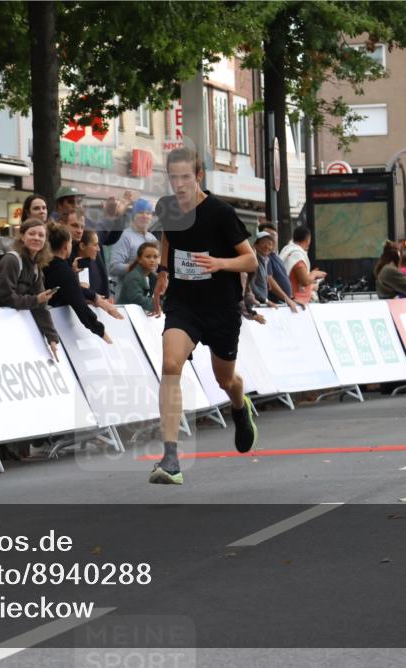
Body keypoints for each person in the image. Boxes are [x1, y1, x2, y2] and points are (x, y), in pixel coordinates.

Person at [148, 147, 259, 485]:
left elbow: (251, 260)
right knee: (170, 365)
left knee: (225, 379)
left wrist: (221, 263)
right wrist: (164, 272)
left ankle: (241, 409)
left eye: (185, 177)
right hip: (184, 304)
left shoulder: (221, 213)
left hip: (221, 307)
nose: (179, 184)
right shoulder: (167, 207)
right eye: (173, 178)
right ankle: (170, 458)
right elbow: (169, 236)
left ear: (198, 177)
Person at [0, 218, 60, 357]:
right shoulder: (11, 260)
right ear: (22, 237)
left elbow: (41, 308)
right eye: (32, 234)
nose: (36, 238)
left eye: (41, 235)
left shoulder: (36, 268)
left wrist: (52, 338)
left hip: (8, 326)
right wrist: (35, 300)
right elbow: (5, 298)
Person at [43, 222, 111, 341]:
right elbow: (80, 306)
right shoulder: (62, 270)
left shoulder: (47, 264)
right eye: (70, 243)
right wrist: (102, 333)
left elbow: (68, 289)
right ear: (66, 246)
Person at [74, 228, 123, 320]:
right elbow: (74, 291)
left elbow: (84, 292)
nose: (99, 249)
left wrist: (96, 300)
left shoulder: (84, 263)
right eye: (95, 245)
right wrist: (97, 300)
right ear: (82, 246)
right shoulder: (69, 264)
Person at [109, 198, 157, 287]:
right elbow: (114, 268)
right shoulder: (124, 236)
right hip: (127, 294)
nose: (145, 216)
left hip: (147, 293)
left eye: (148, 213)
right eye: (141, 212)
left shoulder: (152, 238)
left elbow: (155, 268)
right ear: (134, 215)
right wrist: (138, 266)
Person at [279, 226, 325, 306]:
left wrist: (312, 284)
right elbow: (304, 281)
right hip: (296, 303)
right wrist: (314, 274)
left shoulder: (286, 250)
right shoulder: (297, 256)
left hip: (288, 299)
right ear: (308, 239)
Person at [116, 241, 161, 311]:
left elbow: (162, 297)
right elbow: (137, 299)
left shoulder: (154, 277)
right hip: (125, 315)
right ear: (139, 259)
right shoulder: (133, 277)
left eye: (155, 257)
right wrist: (156, 305)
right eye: (148, 257)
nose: (152, 260)